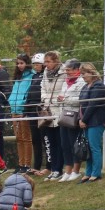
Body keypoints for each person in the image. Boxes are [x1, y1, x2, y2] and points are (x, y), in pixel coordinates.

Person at [77, 62, 105, 183]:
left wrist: (84, 119)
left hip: (97, 121)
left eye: (84, 73)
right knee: (87, 148)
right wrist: (80, 120)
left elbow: (93, 105)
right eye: (81, 74)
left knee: (94, 147)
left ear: (91, 72)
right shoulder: (85, 87)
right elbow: (81, 104)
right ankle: (88, 172)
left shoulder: (99, 86)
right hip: (85, 122)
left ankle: (96, 173)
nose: (82, 76)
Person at [37, 51, 66, 179]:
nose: (46, 64)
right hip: (47, 110)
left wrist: (58, 99)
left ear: (55, 61)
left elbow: (65, 88)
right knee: (51, 141)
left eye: (48, 62)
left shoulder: (64, 72)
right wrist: (44, 98)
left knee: (59, 141)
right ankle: (53, 168)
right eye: (45, 62)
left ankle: (59, 168)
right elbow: (42, 87)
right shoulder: (45, 73)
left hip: (59, 110)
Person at [8, 54, 35, 172]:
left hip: (23, 111)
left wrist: (24, 108)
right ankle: (21, 163)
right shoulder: (17, 78)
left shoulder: (32, 77)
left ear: (27, 63)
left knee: (26, 138)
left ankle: (27, 164)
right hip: (14, 110)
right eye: (18, 63)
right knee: (18, 138)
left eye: (22, 63)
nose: (19, 65)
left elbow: (28, 94)